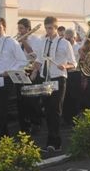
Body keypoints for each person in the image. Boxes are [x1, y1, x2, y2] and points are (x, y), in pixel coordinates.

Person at [31, 17, 76, 151]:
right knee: (47, 110)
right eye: (46, 28)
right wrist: (34, 72)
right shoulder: (43, 42)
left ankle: (55, 143)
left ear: (56, 28)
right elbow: (39, 59)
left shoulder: (64, 43)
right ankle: (50, 141)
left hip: (58, 78)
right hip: (46, 78)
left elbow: (74, 63)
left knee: (55, 111)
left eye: (50, 28)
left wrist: (65, 66)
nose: (48, 31)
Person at [0, 17, 27, 142]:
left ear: (4, 28)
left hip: (5, 80)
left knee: (0, 112)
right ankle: (5, 140)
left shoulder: (11, 42)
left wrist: (10, 71)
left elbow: (22, 60)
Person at [16, 18, 42, 134]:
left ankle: (36, 123)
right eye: (19, 28)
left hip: (31, 71)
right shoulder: (17, 40)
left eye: (21, 28)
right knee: (20, 100)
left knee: (32, 100)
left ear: (28, 29)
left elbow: (34, 56)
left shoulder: (36, 39)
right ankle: (24, 126)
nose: (19, 31)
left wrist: (24, 41)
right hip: (20, 71)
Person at [63, 28, 82, 126]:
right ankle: (66, 119)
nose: (67, 41)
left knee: (74, 98)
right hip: (66, 73)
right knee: (66, 97)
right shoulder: (65, 46)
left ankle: (74, 119)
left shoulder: (78, 48)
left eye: (69, 39)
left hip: (75, 74)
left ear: (74, 38)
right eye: (65, 39)